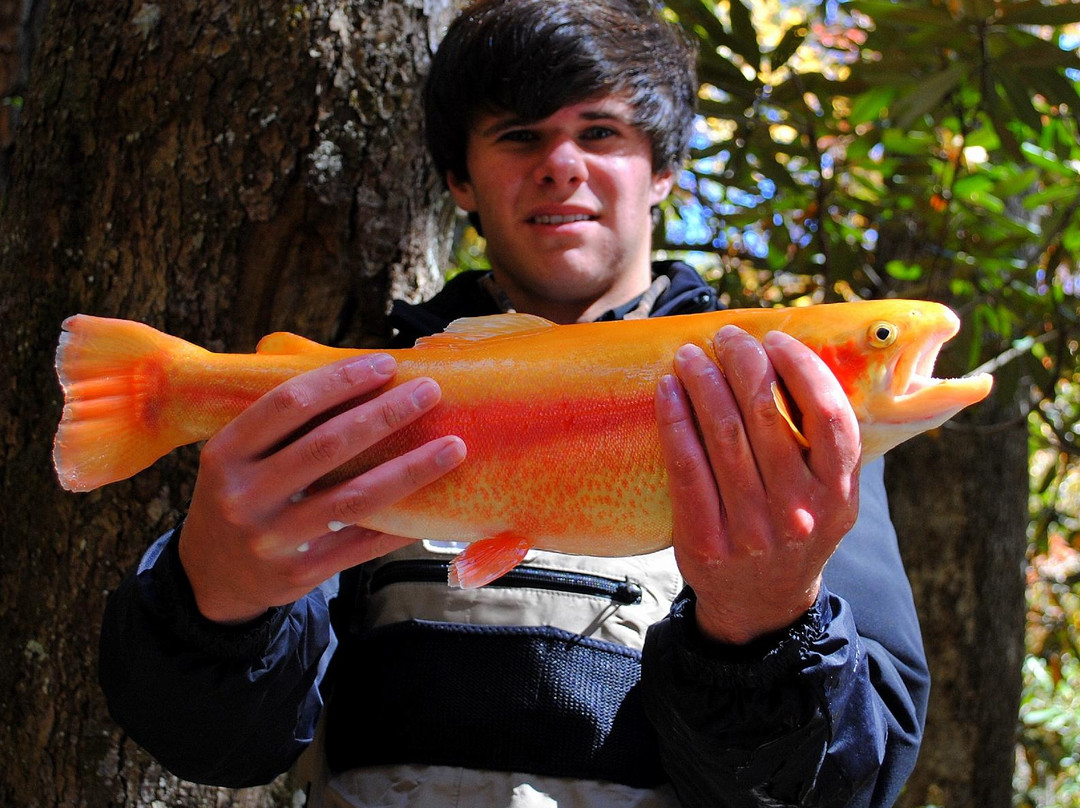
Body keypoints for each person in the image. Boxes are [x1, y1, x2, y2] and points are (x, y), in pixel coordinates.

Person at [98, 0, 930, 805]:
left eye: (600, 132)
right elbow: (220, 744)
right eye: (520, 134)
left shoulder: (798, 435)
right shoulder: (356, 398)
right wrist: (213, 594)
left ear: (665, 171)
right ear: (459, 178)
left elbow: (847, 786)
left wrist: (769, 625)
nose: (561, 162)